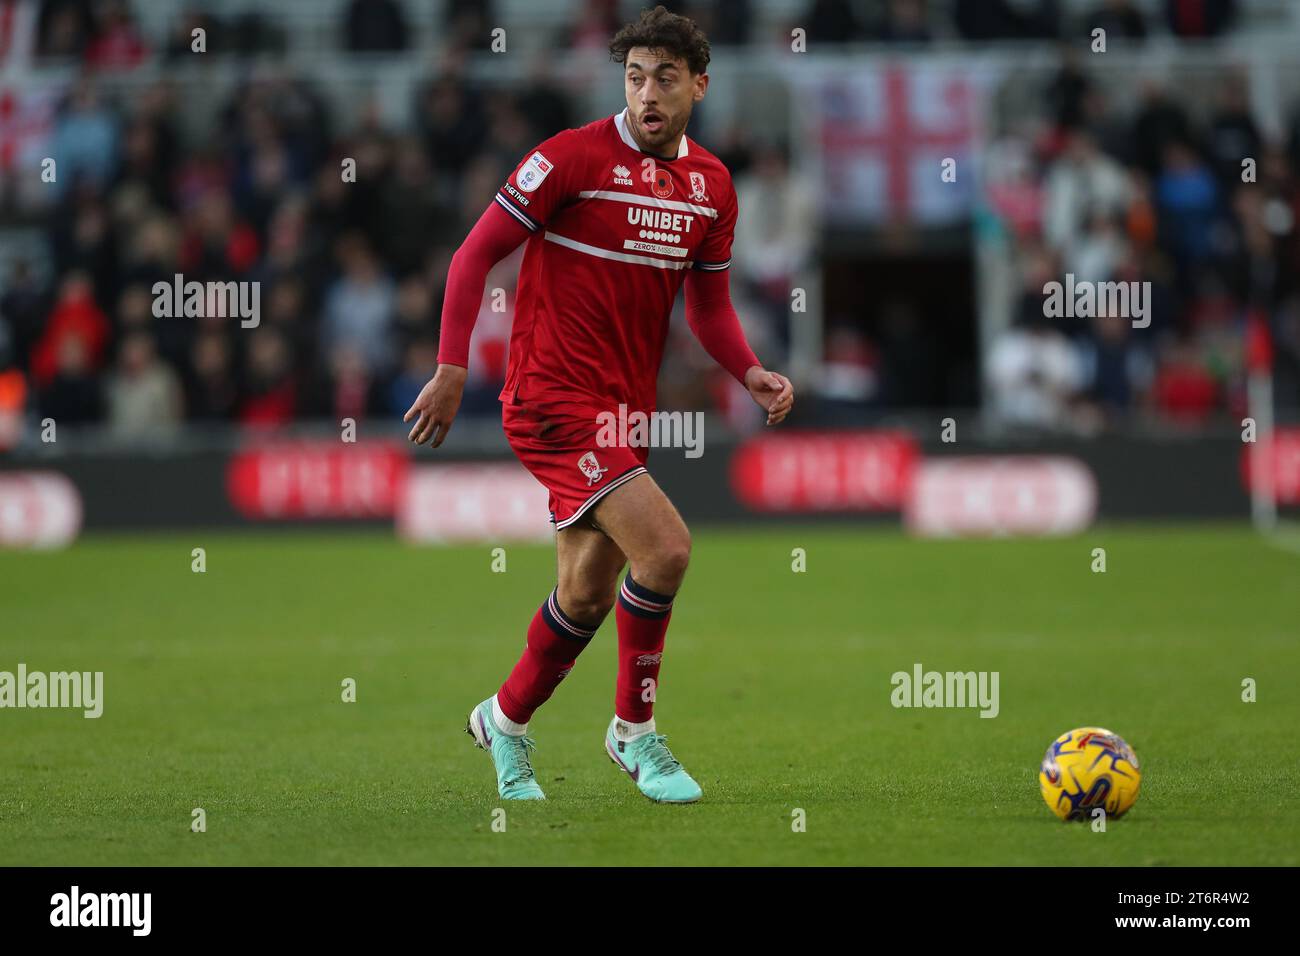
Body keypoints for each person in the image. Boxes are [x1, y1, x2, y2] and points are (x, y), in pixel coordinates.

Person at [404, 5, 793, 803]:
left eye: (666, 78)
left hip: (624, 412)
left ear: (699, 86)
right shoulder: (569, 159)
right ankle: (635, 734)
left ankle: (504, 724)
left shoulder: (712, 187)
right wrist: (449, 369)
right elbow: (473, 255)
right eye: (635, 76)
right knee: (668, 549)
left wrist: (748, 370)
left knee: (584, 592)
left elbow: (709, 308)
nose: (648, 93)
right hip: (549, 400)